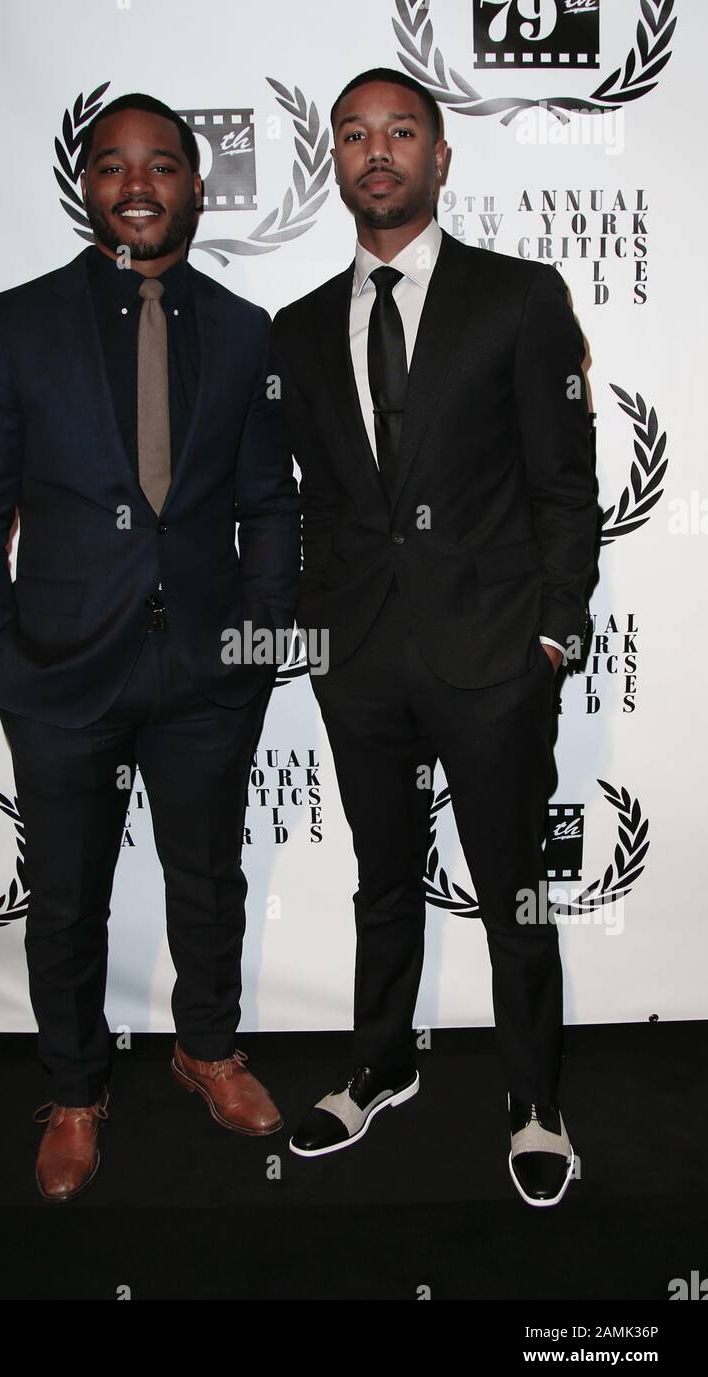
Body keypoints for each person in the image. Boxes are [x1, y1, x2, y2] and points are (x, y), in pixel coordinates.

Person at [0, 93, 300, 1203]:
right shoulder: (11, 324)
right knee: (65, 896)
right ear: (84, 185)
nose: (134, 183)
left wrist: (262, 627)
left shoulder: (245, 330)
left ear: (196, 184)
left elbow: (267, 502)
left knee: (208, 879)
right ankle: (77, 1087)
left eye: (159, 164)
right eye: (110, 165)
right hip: (56, 666)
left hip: (203, 668)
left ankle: (205, 1047)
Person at [272, 68, 598, 1206]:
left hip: (496, 653)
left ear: (439, 156)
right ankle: (378, 1063)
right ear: (334, 162)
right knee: (380, 876)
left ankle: (533, 1095)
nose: (376, 152)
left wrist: (556, 631)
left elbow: (563, 482)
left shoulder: (515, 298)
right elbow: (306, 502)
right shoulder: (299, 329)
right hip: (359, 658)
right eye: (353, 135)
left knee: (512, 885)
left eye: (399, 132)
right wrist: (312, 632)